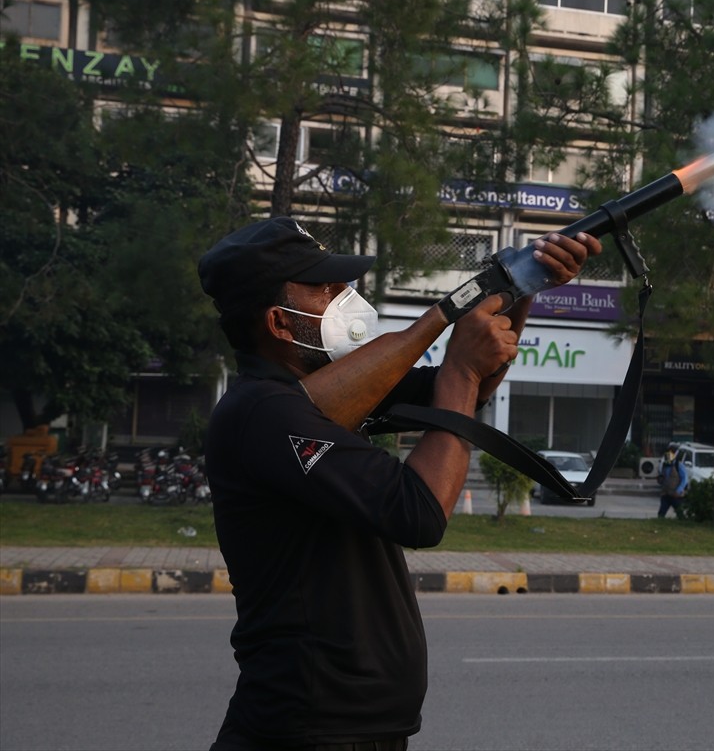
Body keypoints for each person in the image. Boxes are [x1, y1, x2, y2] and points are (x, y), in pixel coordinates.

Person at [197, 216, 600, 750]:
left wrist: (523, 285)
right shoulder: (264, 413)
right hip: (309, 725)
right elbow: (420, 511)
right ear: (278, 322)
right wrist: (457, 366)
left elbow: (467, 389)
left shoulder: (314, 399)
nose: (345, 296)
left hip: (345, 724)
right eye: (323, 289)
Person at [656, 443, 689, 518]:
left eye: (671, 453)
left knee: (680, 514)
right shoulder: (665, 465)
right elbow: (663, 477)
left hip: (676, 495)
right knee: (661, 514)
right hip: (665, 494)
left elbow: (685, 479)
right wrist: (660, 479)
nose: (668, 455)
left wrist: (678, 490)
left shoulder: (679, 465)